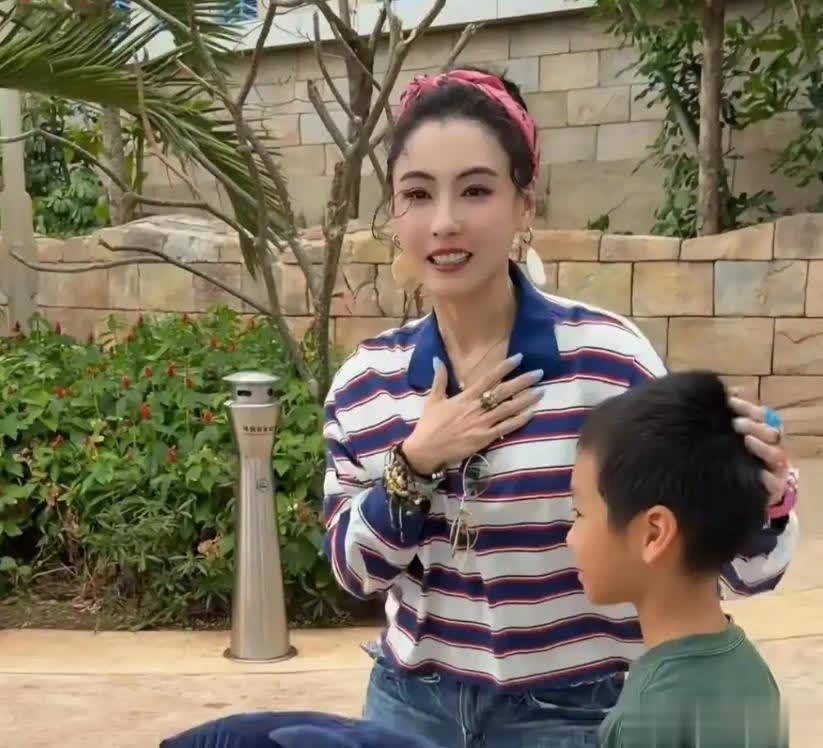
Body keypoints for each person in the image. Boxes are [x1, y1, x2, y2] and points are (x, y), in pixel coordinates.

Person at [322, 66, 800, 747]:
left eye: (476, 190)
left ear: (525, 204)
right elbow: (354, 573)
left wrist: (766, 501)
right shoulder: (366, 382)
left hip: (576, 713)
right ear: (394, 213)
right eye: (417, 194)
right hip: (411, 708)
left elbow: (740, 573)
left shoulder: (608, 363)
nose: (445, 222)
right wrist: (414, 463)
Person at [566, 371, 792, 747]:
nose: (569, 538)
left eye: (579, 513)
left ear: (654, 534)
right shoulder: (753, 673)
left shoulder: (645, 719)